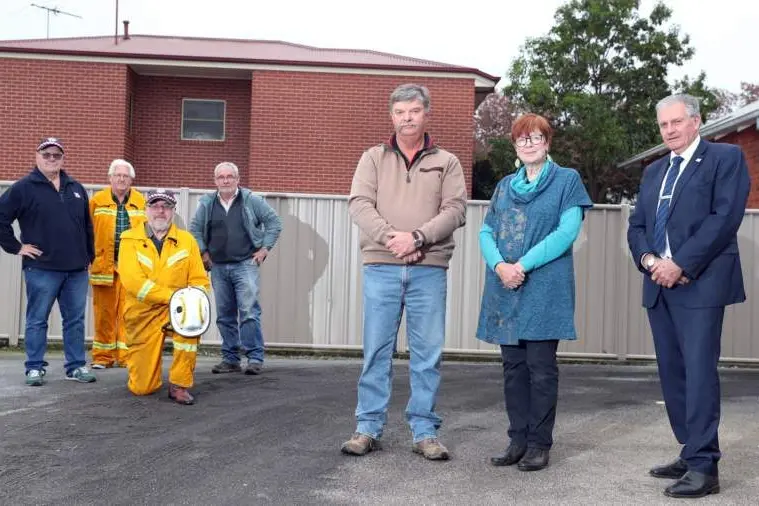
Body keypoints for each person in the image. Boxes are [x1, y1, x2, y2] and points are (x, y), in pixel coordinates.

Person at [627, 94, 749, 498]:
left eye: (677, 122)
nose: (670, 131)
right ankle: (690, 448)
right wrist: (649, 260)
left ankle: (704, 467)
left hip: (699, 284)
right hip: (658, 284)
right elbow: (638, 224)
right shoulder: (653, 171)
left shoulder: (724, 159)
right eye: (663, 125)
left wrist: (679, 262)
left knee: (698, 374)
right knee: (673, 374)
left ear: (696, 121)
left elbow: (724, 218)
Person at [341, 83, 467, 460]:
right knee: (376, 351)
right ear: (391, 116)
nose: (407, 118)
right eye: (400, 112)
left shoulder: (447, 162)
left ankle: (424, 431)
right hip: (381, 266)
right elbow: (359, 204)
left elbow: (455, 210)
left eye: (413, 111)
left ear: (426, 114)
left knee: (427, 354)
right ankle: (367, 428)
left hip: (428, 269)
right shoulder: (373, 158)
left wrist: (417, 238)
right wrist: (391, 238)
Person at [475, 113, 592, 472]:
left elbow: (566, 231)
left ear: (547, 142)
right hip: (505, 288)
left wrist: (521, 265)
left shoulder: (567, 180)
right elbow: (485, 232)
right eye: (522, 139)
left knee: (541, 369)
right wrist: (499, 266)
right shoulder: (504, 186)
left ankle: (540, 444)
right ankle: (518, 440)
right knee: (513, 369)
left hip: (544, 288)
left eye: (535, 137)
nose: (528, 144)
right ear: (515, 145)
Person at [0, 137, 96, 386]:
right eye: (47, 154)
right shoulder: (23, 188)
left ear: (63, 158)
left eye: (56, 155)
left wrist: (89, 257)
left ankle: (75, 367)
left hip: (76, 269)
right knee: (37, 319)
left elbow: (87, 226)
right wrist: (17, 247)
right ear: (37, 156)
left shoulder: (75, 187)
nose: (51, 159)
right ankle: (34, 367)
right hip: (42, 268)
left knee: (75, 321)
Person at [118, 189, 210, 405]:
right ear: (146, 210)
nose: (160, 211)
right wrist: (176, 297)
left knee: (192, 319)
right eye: (155, 206)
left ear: (173, 211)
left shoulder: (187, 240)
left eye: (166, 207)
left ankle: (180, 383)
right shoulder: (129, 239)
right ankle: (146, 372)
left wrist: (194, 300)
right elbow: (133, 283)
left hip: (177, 311)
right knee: (142, 388)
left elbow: (199, 279)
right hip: (143, 314)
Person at [189, 162, 281, 375]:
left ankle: (255, 358)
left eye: (230, 176)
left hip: (245, 265)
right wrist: (203, 252)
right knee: (224, 314)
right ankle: (230, 359)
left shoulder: (251, 200)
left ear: (238, 179)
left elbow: (274, 222)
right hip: (218, 267)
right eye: (221, 177)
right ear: (215, 181)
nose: (226, 180)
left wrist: (265, 249)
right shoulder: (207, 203)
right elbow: (195, 229)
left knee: (248, 311)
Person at [89, 159, 146, 369]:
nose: (121, 179)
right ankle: (103, 357)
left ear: (132, 179)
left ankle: (125, 355)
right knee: (103, 312)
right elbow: (87, 231)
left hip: (131, 266)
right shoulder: (97, 201)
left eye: (125, 176)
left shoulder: (141, 201)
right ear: (110, 178)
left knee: (129, 311)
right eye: (117, 175)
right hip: (103, 264)